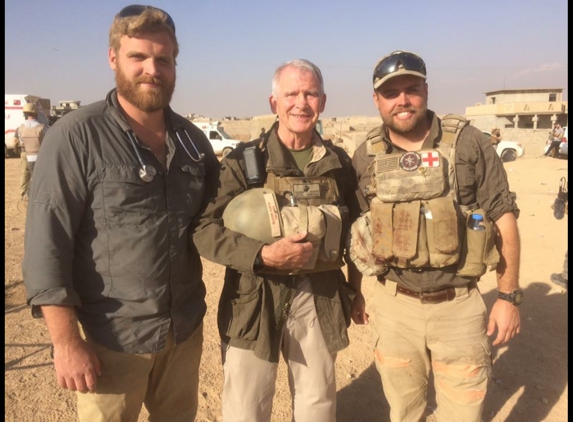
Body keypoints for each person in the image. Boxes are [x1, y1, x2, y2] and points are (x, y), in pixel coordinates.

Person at [22, 5, 219, 421]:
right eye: (138, 57)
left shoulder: (192, 141)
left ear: (174, 64)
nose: (152, 69)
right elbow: (46, 245)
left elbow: (216, 221)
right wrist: (66, 343)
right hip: (111, 341)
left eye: (163, 59)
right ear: (113, 59)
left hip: (182, 333)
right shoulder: (75, 136)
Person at [347, 50, 522, 422]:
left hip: (458, 308)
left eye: (411, 89)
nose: (403, 100)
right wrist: (354, 291)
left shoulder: (470, 144)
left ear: (426, 91)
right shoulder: (366, 156)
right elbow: (359, 229)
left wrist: (507, 296)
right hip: (396, 308)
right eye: (391, 93)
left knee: (463, 414)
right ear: (377, 100)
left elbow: (503, 217)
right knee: (404, 411)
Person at [192, 59, 362, 422]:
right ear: (274, 103)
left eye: (310, 93)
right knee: (245, 408)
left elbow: (357, 234)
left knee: (317, 404)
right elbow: (204, 229)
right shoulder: (245, 162)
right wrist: (262, 255)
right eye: (291, 94)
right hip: (254, 300)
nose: (301, 102)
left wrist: (357, 289)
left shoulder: (338, 164)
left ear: (323, 101)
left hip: (320, 297)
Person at [13, 103, 47, 200]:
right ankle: (31, 193)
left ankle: (24, 192)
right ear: (36, 113)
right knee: (38, 176)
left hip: (27, 155)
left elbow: (19, 141)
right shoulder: (42, 127)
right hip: (40, 156)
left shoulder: (20, 128)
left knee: (26, 173)